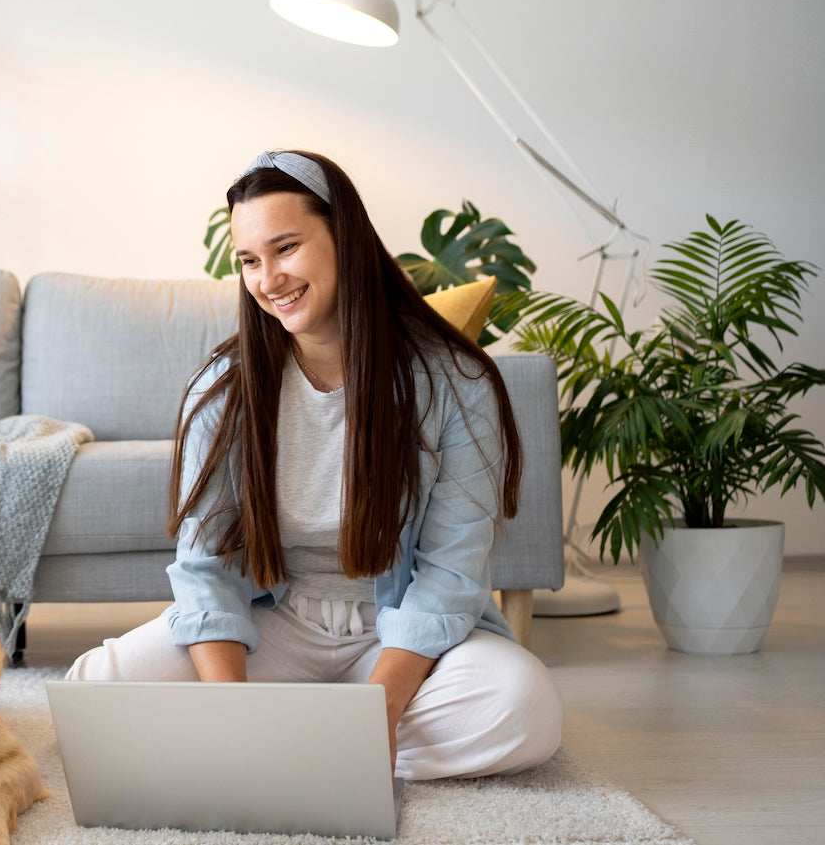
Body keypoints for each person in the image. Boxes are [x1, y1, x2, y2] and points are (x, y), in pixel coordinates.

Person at [66, 150, 563, 780]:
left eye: (286, 248)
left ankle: (308, 740)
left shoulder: (453, 383)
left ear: (343, 237)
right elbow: (206, 569)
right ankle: (301, 742)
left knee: (526, 707)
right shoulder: (223, 389)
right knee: (91, 693)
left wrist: (377, 714)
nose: (268, 278)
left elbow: (451, 574)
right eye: (249, 260)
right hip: (276, 628)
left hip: (400, 637)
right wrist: (231, 714)